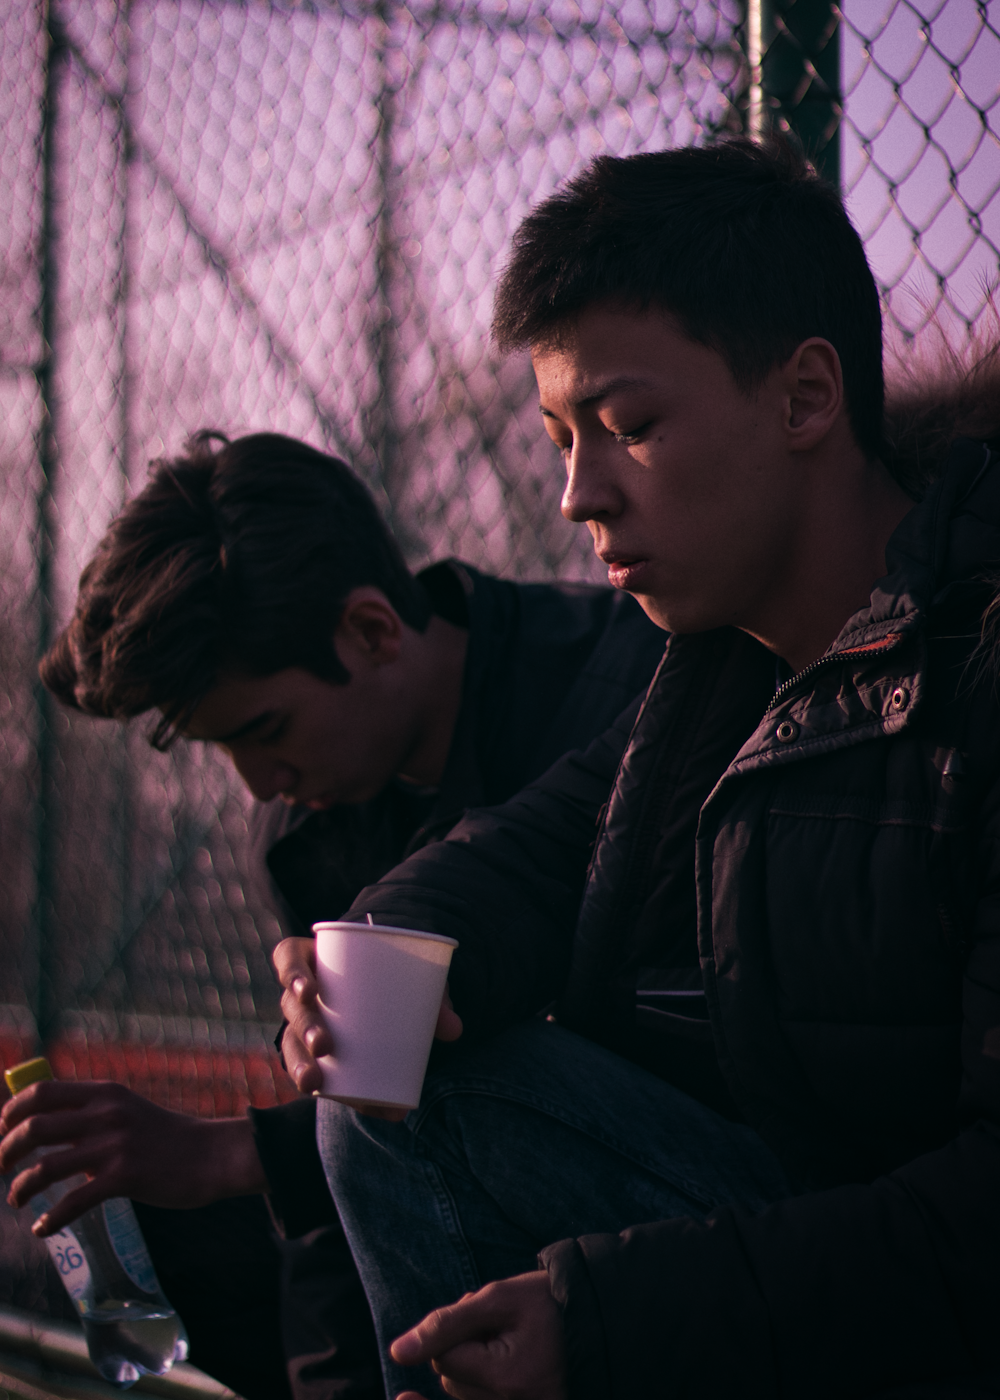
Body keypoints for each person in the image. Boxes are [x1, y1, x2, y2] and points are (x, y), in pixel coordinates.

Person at [275, 139, 1000, 1400]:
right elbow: (540, 847)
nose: (574, 495)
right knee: (398, 1092)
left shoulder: (975, 668)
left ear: (805, 399)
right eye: (560, 436)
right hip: (807, 1245)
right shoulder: (728, 664)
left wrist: (610, 1321)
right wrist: (387, 945)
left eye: (627, 427)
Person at [0, 432, 665, 1400]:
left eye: (264, 728)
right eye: (218, 747)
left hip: (644, 1220)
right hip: (423, 1199)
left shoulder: (616, 688)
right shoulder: (301, 824)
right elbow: (333, 1209)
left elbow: (537, 1087)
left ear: (371, 631)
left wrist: (245, 1148)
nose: (258, 780)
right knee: (160, 1204)